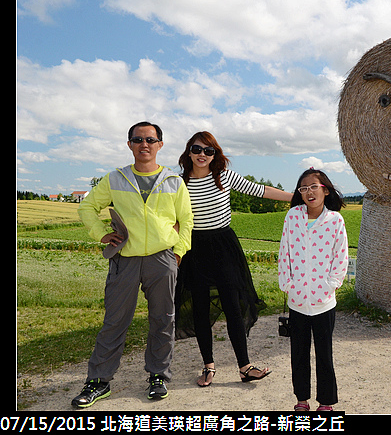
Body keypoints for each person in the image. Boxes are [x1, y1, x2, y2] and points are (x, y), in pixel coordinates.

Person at [72, 122, 193, 408]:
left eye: (150, 139)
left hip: (162, 259)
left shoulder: (175, 182)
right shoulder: (115, 178)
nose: (144, 144)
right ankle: (99, 382)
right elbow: (87, 207)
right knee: (115, 321)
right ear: (129, 145)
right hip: (124, 259)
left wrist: (177, 253)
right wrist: (101, 233)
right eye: (137, 139)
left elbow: (186, 221)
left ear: (160, 145)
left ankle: (158, 376)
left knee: (163, 320)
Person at [176, 131, 293, 387]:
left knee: (233, 307)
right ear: (188, 152)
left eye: (209, 151)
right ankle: (208, 366)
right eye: (197, 149)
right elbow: (173, 219)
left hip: (224, 248)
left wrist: (295, 197)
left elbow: (259, 191)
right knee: (200, 310)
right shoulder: (179, 182)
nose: (202, 155)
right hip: (194, 250)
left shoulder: (224, 177)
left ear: (215, 154)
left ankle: (245, 367)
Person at [278, 168, 348, 411]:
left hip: (324, 302)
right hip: (297, 300)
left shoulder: (335, 220)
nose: (309, 192)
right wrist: (287, 283)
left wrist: (330, 285)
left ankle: (326, 402)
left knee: (324, 355)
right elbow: (284, 251)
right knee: (298, 354)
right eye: (303, 188)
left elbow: (341, 258)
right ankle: (301, 400)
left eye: (313, 187)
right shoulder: (293, 217)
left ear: (325, 190)